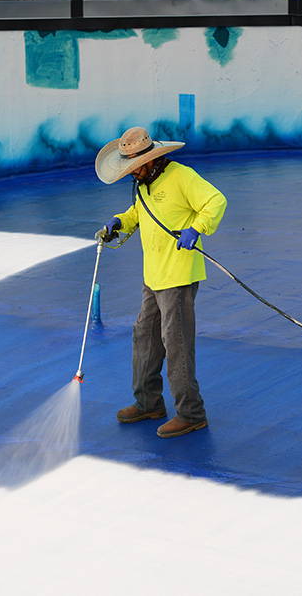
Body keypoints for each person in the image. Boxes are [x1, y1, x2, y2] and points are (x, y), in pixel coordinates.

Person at [93, 126, 227, 438]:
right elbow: (138, 214)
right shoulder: (143, 185)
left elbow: (216, 201)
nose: (130, 172)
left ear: (152, 159)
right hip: (153, 276)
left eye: (133, 166)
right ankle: (148, 403)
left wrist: (197, 228)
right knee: (145, 338)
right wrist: (119, 222)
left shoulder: (182, 176)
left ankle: (192, 413)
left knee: (176, 344)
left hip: (179, 276)